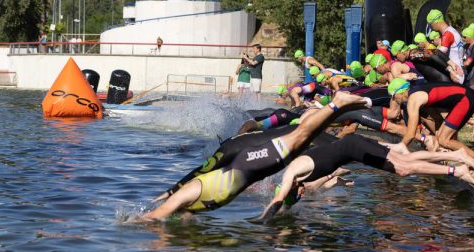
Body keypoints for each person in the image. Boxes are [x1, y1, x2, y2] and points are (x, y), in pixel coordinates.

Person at [139, 92, 373, 220]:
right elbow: (184, 203)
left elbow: (155, 216)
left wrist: (133, 222)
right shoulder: (194, 204)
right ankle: (337, 108)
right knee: (304, 139)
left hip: (255, 161)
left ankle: (337, 104)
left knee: (303, 134)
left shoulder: (190, 192)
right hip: (254, 162)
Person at [260, 134, 474, 220]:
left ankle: (457, 168)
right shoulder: (303, 179)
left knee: (404, 166)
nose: (302, 193)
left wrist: (262, 220)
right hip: (354, 150)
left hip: (354, 146)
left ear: (292, 189)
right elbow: (286, 202)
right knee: (405, 164)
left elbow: (278, 200)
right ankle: (456, 157)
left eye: (298, 195)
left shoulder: (291, 174)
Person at [387, 78, 474, 174]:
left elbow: (410, 134)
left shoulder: (413, 99)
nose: (394, 101)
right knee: (441, 137)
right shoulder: (417, 92)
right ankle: (473, 160)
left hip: (466, 99)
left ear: (399, 93)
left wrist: (399, 149)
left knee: (444, 140)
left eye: (392, 97)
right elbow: (436, 118)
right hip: (465, 97)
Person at [426, 10, 464, 84]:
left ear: (436, 22)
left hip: (455, 72)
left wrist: (426, 51)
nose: (431, 28)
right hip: (459, 67)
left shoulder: (447, 34)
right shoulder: (452, 30)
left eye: (430, 25)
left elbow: (438, 53)